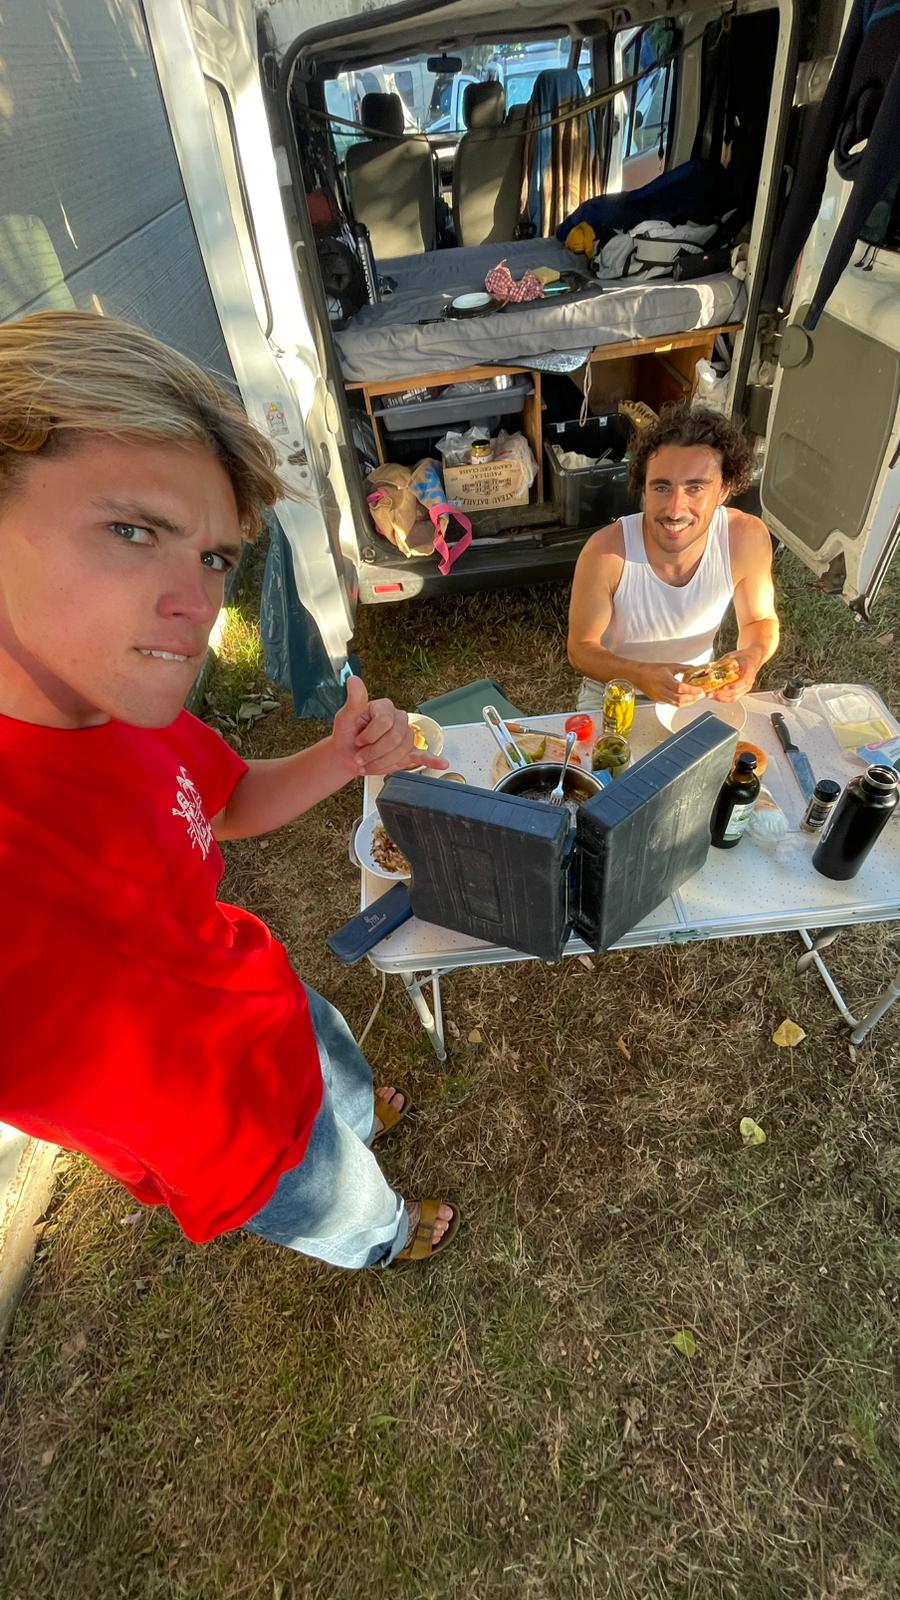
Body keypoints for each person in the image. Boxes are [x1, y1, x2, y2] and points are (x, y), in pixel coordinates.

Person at [0, 310, 458, 1269]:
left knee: (338, 1080)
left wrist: (341, 757)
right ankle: (386, 1234)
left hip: (262, 996)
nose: (196, 604)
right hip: (219, 1133)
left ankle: (360, 1115)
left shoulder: (125, 703)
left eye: (212, 559)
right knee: (338, 1200)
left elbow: (228, 802)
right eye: (132, 529)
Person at [567, 404, 779, 710]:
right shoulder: (605, 552)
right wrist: (640, 676)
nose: (675, 510)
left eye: (695, 488)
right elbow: (581, 650)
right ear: (643, 488)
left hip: (697, 689)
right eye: (662, 487)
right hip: (614, 690)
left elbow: (760, 620)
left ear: (724, 490)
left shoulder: (745, 538)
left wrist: (752, 657)